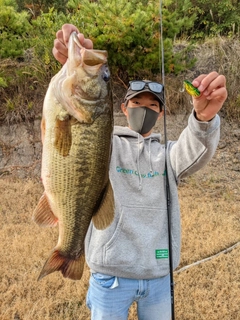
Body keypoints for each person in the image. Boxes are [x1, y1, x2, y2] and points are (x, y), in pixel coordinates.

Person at [53, 24, 228, 320]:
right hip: (110, 277)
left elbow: (195, 147)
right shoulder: (105, 144)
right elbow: (74, 131)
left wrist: (203, 118)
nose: (143, 109)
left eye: (152, 105)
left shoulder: (167, 155)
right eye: (137, 103)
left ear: (161, 113)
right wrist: (73, 70)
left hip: (159, 277)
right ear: (123, 107)